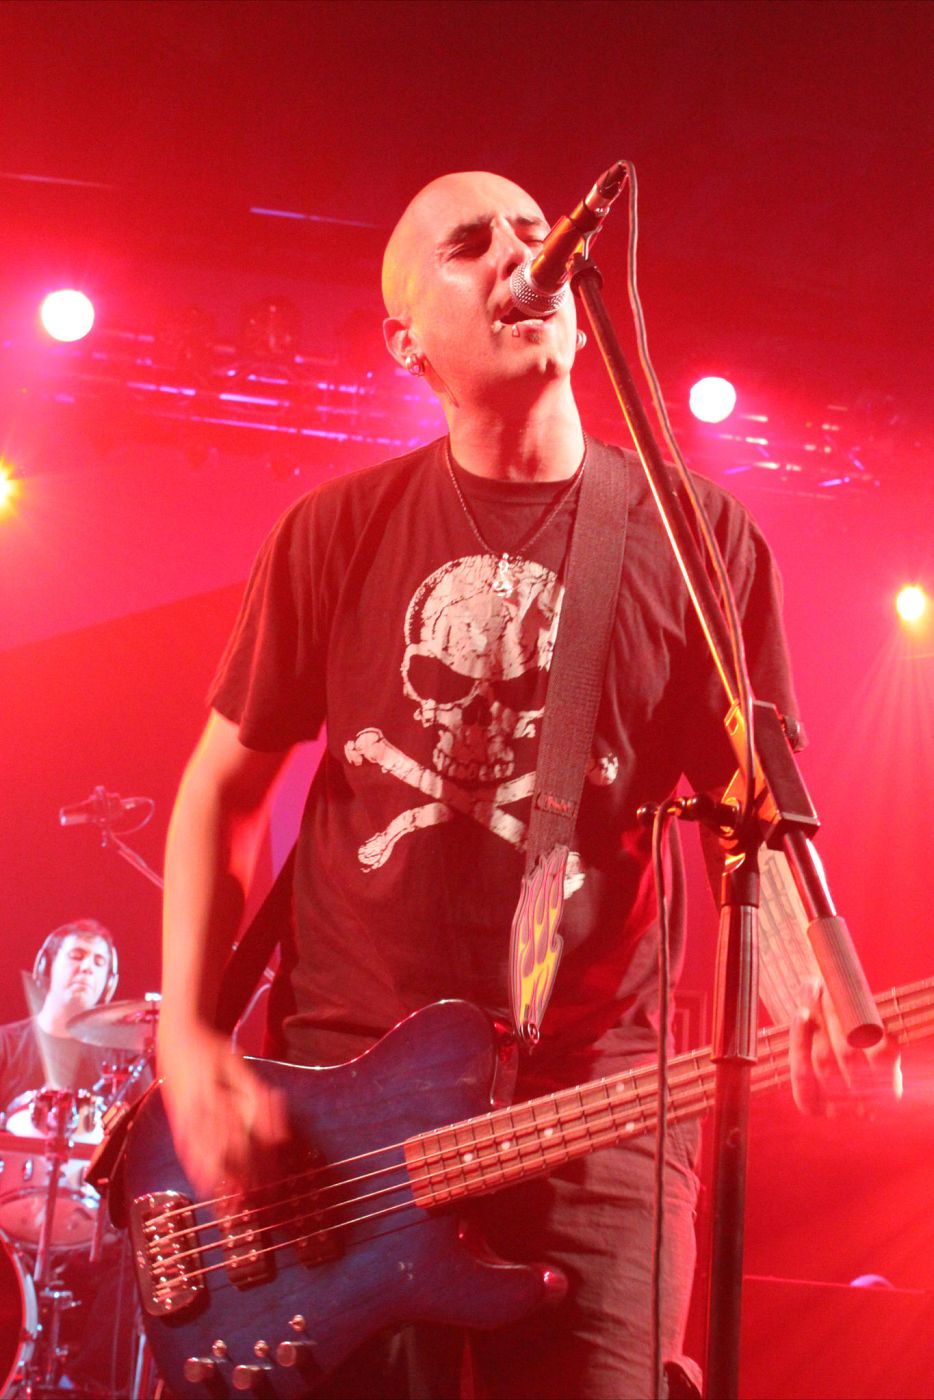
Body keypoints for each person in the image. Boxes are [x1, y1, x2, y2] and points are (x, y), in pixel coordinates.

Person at [157, 171, 886, 1400]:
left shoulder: (695, 538)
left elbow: (755, 827)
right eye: (469, 244)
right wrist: (188, 1037)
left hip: (596, 1114)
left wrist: (803, 981)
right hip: (335, 1116)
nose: (522, 253)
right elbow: (220, 790)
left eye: (531, 229)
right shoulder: (335, 529)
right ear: (405, 340)